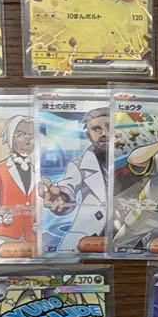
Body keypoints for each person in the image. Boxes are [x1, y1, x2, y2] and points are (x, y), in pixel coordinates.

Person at [38, 108, 110, 254]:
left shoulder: (136, 160)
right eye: (96, 129)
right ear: (88, 135)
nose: (104, 133)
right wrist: (60, 198)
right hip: (89, 233)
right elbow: (68, 186)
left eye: (109, 127)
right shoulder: (78, 165)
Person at [0, 115, 36, 256]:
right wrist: (1, 213)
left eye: (31, 136)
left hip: (32, 236)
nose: (27, 139)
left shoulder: (38, 172)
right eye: (21, 135)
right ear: (10, 138)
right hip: (3, 233)